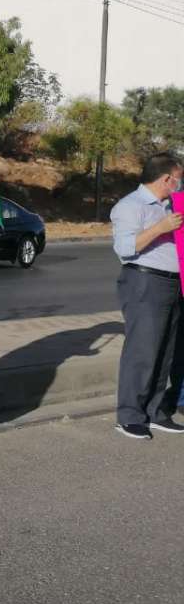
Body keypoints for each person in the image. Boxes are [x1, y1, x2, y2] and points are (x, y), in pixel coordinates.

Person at [110, 152, 184, 439]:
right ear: (167, 178)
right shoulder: (131, 205)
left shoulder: (171, 205)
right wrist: (160, 228)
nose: (179, 184)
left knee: (165, 350)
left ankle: (155, 412)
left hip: (172, 283)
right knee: (143, 350)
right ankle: (129, 415)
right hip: (145, 281)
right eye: (178, 179)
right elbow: (125, 248)